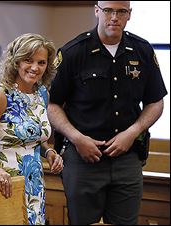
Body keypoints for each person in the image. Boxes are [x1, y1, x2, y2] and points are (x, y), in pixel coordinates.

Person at [48, 1, 167, 225]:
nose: (114, 17)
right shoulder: (74, 51)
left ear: (129, 14)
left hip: (127, 157)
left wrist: (133, 132)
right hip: (82, 159)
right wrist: (77, 138)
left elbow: (156, 102)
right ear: (97, 11)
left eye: (121, 11)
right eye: (108, 10)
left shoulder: (142, 50)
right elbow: (53, 105)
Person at [0, 33, 64, 225]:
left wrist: (49, 151)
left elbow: (34, 135)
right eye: (28, 60)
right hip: (3, 182)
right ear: (16, 61)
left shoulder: (42, 93)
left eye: (41, 62)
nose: (35, 68)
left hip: (34, 184)